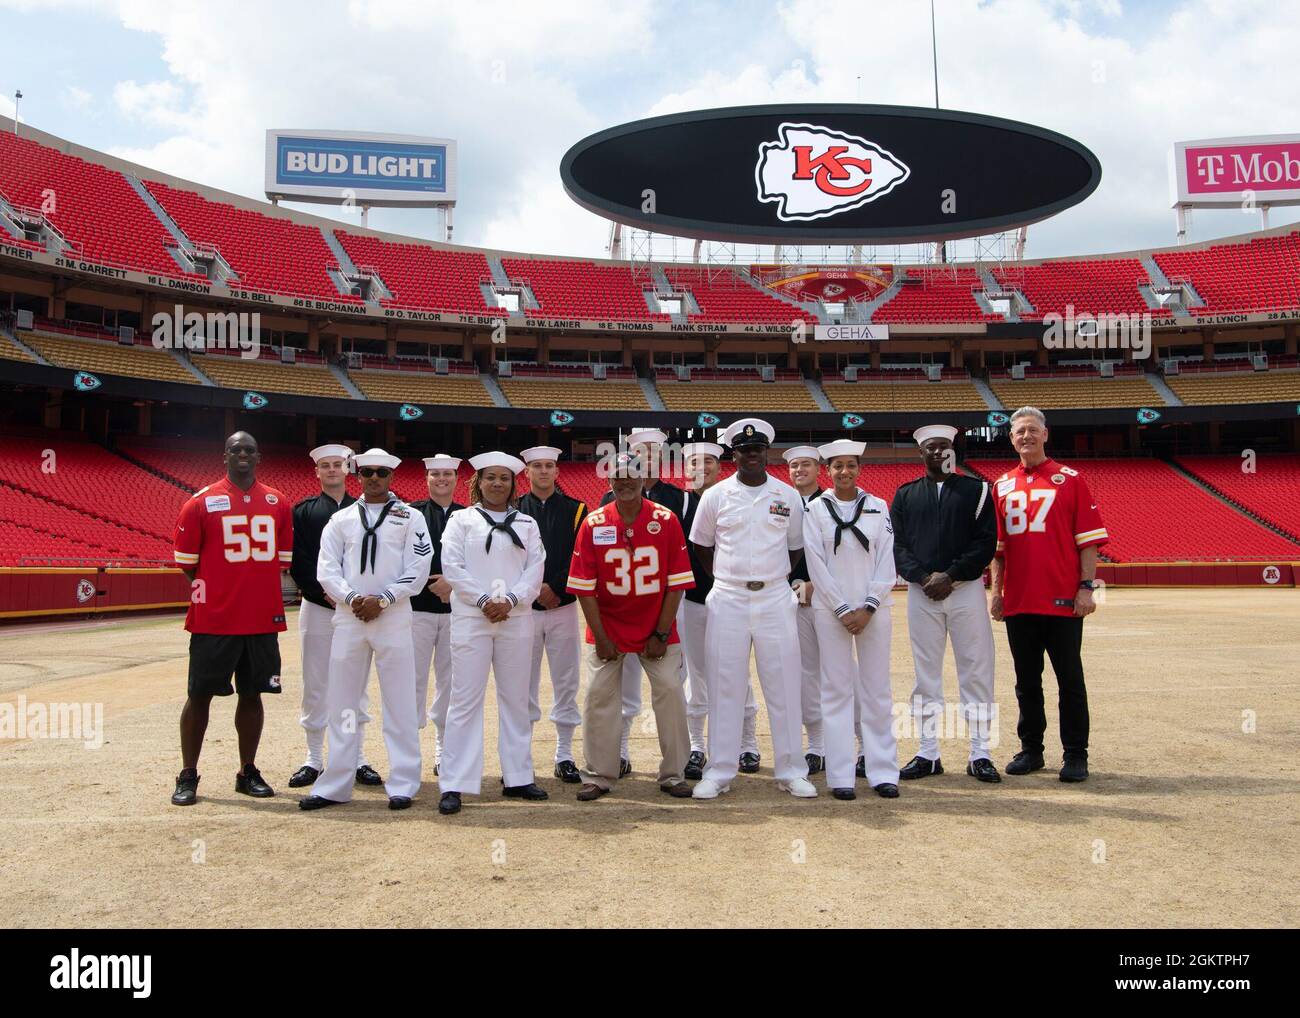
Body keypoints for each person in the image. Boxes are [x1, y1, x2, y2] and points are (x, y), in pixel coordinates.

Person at [688, 418, 817, 800]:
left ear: (766, 453)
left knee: (783, 685)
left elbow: (796, 548)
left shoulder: (787, 496)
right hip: (728, 596)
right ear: (735, 455)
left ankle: (792, 769)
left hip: (775, 597)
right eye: (745, 451)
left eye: (758, 450)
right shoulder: (716, 496)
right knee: (725, 683)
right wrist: (730, 579)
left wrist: (768, 577)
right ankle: (720, 770)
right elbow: (702, 546)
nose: (752, 456)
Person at [299, 449, 432, 811]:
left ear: (392, 476)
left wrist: (384, 599)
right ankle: (336, 783)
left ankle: (403, 781)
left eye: (382, 472)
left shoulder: (411, 517)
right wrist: (354, 598)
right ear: (357, 474)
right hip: (350, 616)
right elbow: (326, 569)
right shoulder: (341, 520)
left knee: (400, 700)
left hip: (394, 616)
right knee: (342, 701)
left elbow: (419, 567)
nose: (374, 477)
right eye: (368, 472)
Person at [171, 431, 293, 806]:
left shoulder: (278, 502)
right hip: (214, 619)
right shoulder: (200, 503)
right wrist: (220, 591)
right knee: (199, 695)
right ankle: (188, 773)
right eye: (236, 449)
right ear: (224, 456)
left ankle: (247, 770)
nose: (243, 454)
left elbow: (282, 563)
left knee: (253, 694)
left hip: (260, 618)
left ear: (259, 457)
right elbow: (187, 565)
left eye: (249, 450)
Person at [990, 406, 1108, 783]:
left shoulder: (1071, 480)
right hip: (1020, 601)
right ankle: (1031, 749)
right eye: (1018, 431)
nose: (1025, 436)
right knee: (1026, 682)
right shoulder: (1001, 485)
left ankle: (1075, 753)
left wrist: (1086, 588)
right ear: (1011, 439)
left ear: (1045, 434)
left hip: (1061, 600)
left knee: (1070, 679)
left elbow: (1088, 542)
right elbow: (999, 549)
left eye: (1031, 430)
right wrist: (997, 593)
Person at [567, 455, 695, 800]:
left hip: (656, 626)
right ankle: (599, 775)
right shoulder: (594, 523)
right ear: (608, 481)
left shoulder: (665, 519)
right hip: (608, 627)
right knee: (597, 696)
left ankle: (673, 773)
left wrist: (661, 634)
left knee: (670, 691)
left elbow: (676, 583)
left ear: (644, 479)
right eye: (617, 477)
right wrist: (603, 638)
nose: (624, 483)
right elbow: (584, 587)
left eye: (631, 477)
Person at [437, 452, 547, 815]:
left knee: (516, 698)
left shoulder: (527, 523)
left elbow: (535, 568)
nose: (497, 483)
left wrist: (510, 600)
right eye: (490, 477)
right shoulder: (460, 520)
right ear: (478, 482)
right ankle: (456, 781)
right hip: (472, 617)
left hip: (515, 618)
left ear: (514, 484)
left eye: (504, 477)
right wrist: (485, 599)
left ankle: (518, 776)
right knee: (464, 700)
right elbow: (452, 566)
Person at [891, 424, 1001, 783]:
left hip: (966, 590)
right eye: (930, 448)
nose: (937, 453)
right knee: (926, 675)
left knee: (976, 669)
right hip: (921, 594)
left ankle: (980, 751)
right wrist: (924, 578)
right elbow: (900, 547)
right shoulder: (905, 495)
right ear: (920, 453)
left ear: (953, 450)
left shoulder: (978, 490)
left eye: (943, 446)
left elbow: (985, 543)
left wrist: (950, 576)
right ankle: (927, 752)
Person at [802, 439, 899, 799]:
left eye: (851, 465)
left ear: (859, 468)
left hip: (874, 610)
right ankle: (840, 775)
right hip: (832, 611)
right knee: (836, 691)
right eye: (838, 466)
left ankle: (882, 770)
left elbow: (886, 561)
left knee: (876, 691)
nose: (845, 471)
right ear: (828, 471)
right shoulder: (815, 510)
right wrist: (843, 609)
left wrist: (869, 605)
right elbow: (816, 564)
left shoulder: (877, 506)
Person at [288, 444, 382, 790]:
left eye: (337, 465)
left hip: (356, 609)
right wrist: (324, 592)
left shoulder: (368, 511)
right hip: (318, 606)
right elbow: (297, 560)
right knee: (315, 682)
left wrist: (353, 597)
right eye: (324, 466)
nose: (331, 470)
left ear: (348, 470)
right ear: (316, 471)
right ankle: (313, 757)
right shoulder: (304, 511)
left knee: (355, 685)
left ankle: (356, 758)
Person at [599, 427, 686, 775]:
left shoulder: (679, 498)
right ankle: (619, 751)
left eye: (655, 450)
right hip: (623, 606)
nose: (649, 455)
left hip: (668, 605)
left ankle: (686, 755)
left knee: (674, 685)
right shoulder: (608, 501)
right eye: (642, 450)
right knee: (624, 688)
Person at [680, 441, 759, 779]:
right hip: (692, 600)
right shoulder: (676, 502)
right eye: (695, 461)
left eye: (710, 461)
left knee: (738, 671)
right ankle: (697, 745)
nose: (703, 467)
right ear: (685, 467)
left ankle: (747, 743)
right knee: (696, 675)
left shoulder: (735, 495)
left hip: (733, 601)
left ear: (719, 465)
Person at [517, 445, 588, 783]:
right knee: (522, 684)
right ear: (526, 472)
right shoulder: (513, 509)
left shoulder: (577, 510)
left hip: (562, 606)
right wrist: (534, 590)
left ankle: (564, 753)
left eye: (549, 466)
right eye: (537, 466)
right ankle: (521, 757)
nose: (543, 471)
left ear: (558, 472)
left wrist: (556, 588)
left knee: (565, 681)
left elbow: (581, 555)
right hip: (523, 610)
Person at [409, 454, 465, 775]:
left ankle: (443, 746)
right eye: (435, 474)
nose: (441, 479)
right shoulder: (411, 513)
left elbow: (475, 560)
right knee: (412, 679)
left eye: (447, 474)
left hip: (456, 610)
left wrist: (451, 583)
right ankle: (409, 748)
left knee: (450, 681)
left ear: (456, 479)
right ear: (427, 478)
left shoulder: (468, 515)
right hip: (417, 610)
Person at [783, 444, 827, 774]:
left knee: (843, 675)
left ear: (818, 469)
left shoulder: (832, 503)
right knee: (806, 676)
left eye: (806, 465)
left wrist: (817, 584)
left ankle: (862, 744)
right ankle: (816, 745)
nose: (799, 470)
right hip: (792, 600)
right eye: (794, 465)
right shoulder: (782, 503)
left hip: (830, 599)